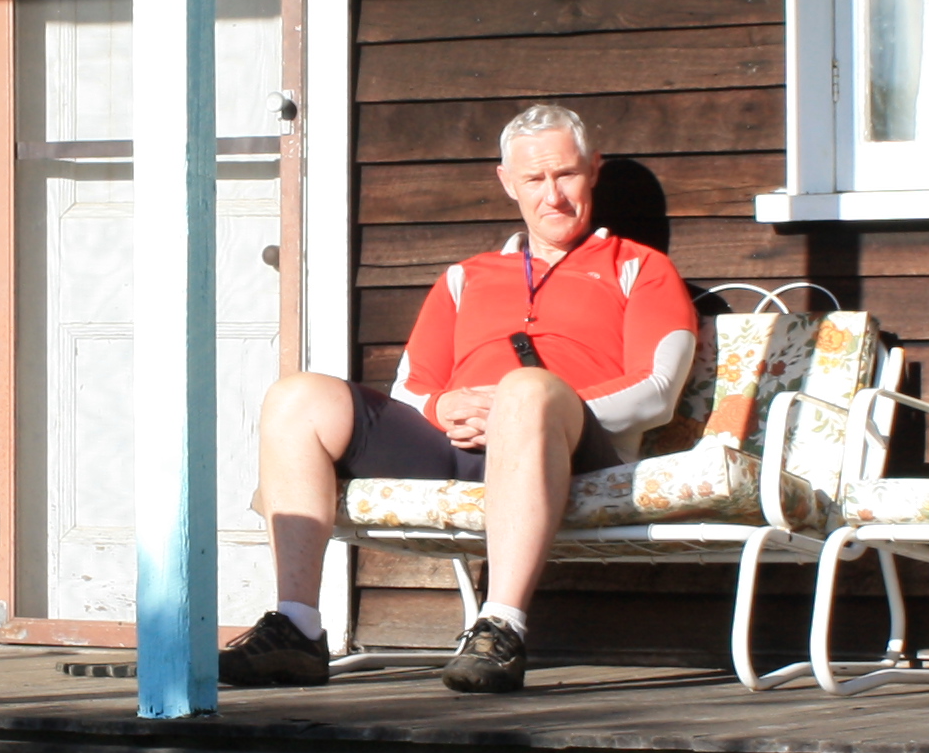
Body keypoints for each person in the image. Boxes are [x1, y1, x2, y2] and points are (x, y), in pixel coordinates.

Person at [222, 101, 697, 695]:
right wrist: (440, 408)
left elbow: (657, 391)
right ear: (507, 183)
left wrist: (526, 409)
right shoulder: (465, 276)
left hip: (570, 447)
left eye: (566, 174)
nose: (553, 195)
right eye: (534, 179)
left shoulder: (642, 269)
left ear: (592, 170)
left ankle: (501, 626)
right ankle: (297, 628)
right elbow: (412, 387)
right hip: (455, 445)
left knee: (525, 389)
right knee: (297, 397)